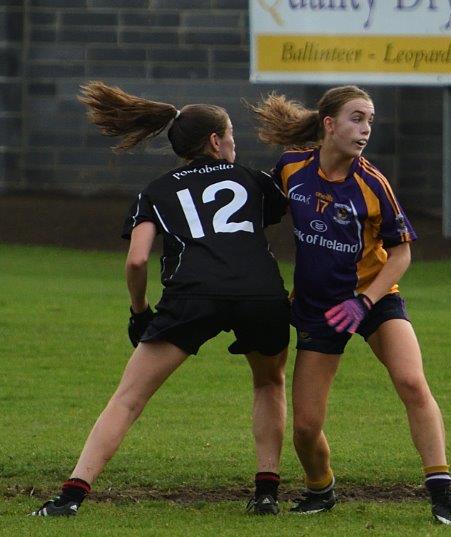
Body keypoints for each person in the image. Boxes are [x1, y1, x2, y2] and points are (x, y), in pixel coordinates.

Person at [31, 81, 292, 516]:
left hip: (193, 294)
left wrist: (140, 313)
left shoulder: (156, 190)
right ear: (215, 141)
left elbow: (136, 262)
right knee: (268, 382)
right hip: (260, 292)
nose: (234, 142)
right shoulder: (253, 179)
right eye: (230, 134)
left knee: (129, 397)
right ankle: (266, 492)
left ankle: (71, 496)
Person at [248, 86, 451, 524]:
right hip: (318, 310)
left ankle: (441, 494)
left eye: (370, 121)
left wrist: (365, 301)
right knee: (306, 428)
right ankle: (320, 488)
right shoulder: (291, 168)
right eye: (356, 118)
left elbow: (401, 252)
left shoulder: (372, 183)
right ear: (328, 124)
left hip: (375, 300)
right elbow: (254, 212)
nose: (365, 129)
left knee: (411, 382)